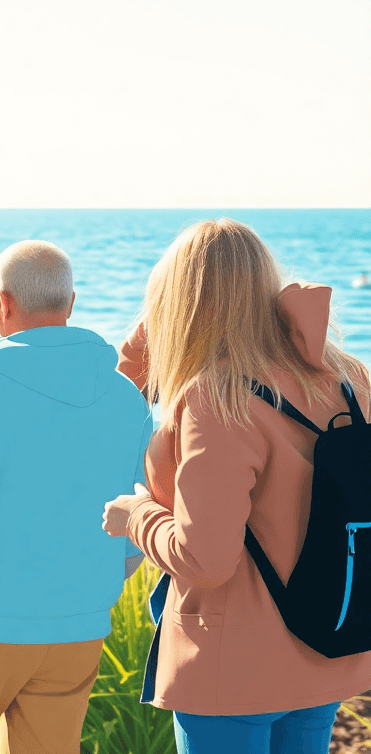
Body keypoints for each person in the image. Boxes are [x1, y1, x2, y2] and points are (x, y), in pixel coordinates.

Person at [101, 219, 371, 753]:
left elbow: (205, 560)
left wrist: (136, 516)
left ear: (179, 301)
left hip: (232, 666)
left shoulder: (215, 397)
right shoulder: (347, 377)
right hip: (325, 643)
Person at [0, 240, 150, 754]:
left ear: (3, 304)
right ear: (70, 303)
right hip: (77, 628)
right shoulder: (126, 401)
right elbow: (135, 529)